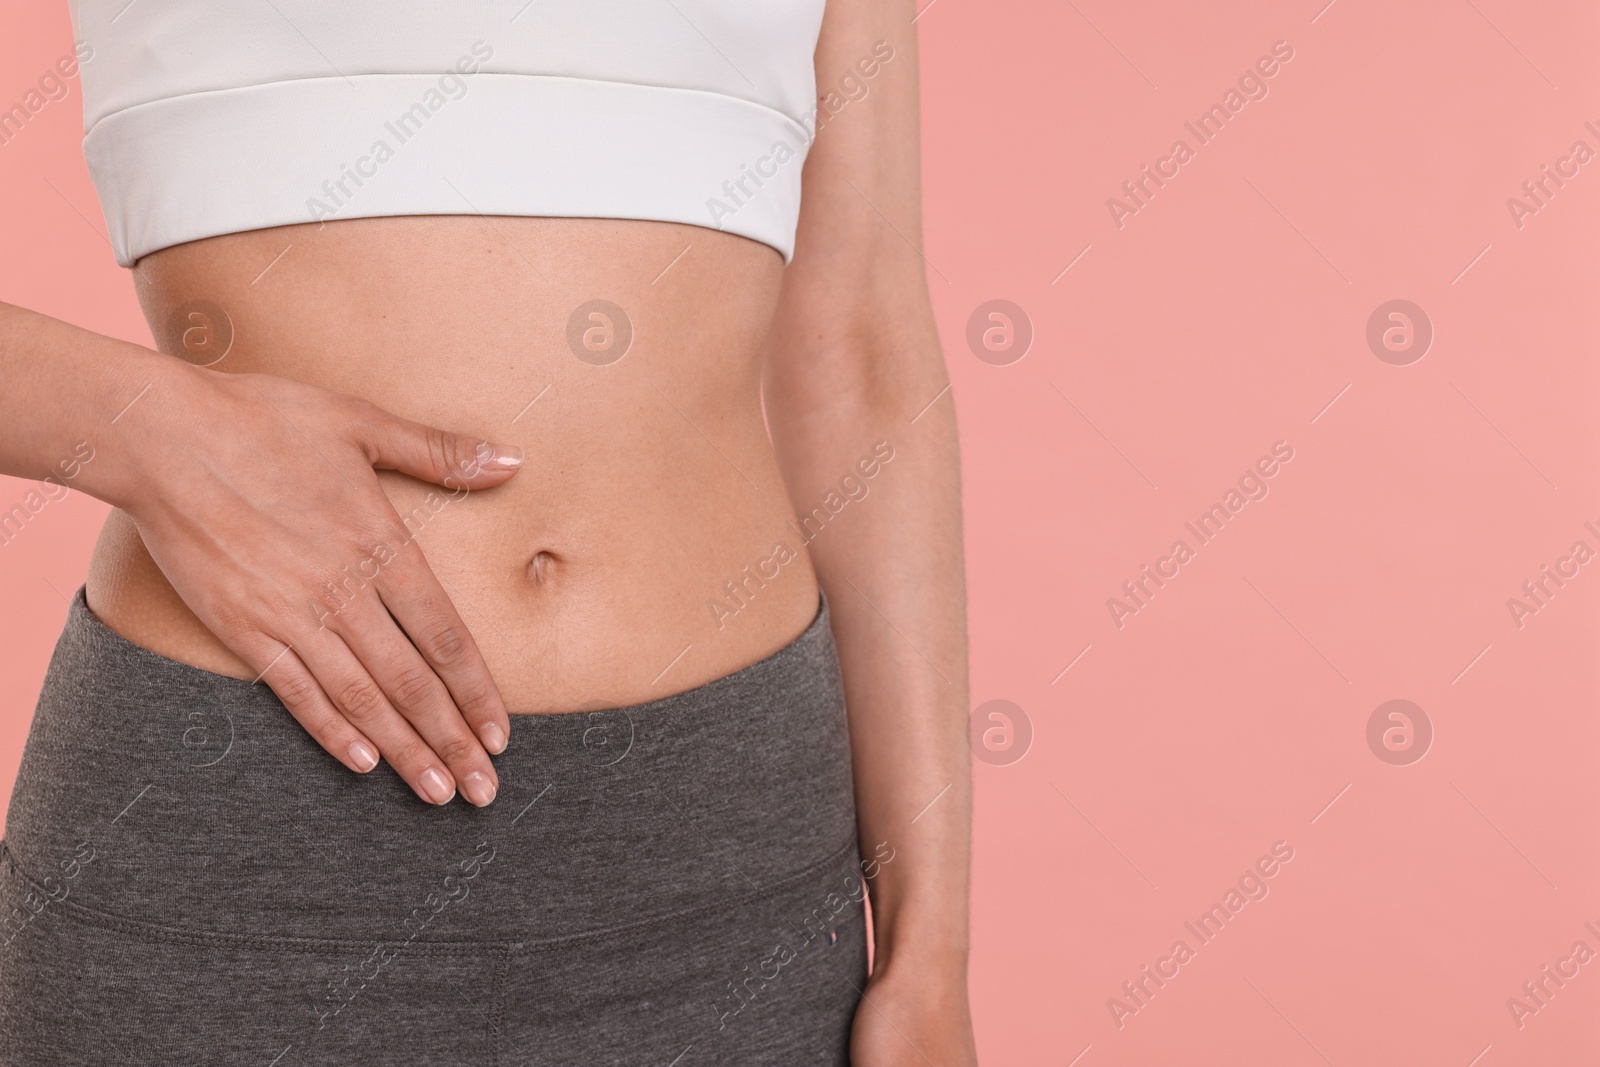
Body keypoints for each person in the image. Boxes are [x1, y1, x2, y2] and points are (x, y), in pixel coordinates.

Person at [0, 1, 976, 1063]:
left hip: (724, 853)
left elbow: (864, 357)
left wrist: (929, 951)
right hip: (243, 826)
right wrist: (135, 426)